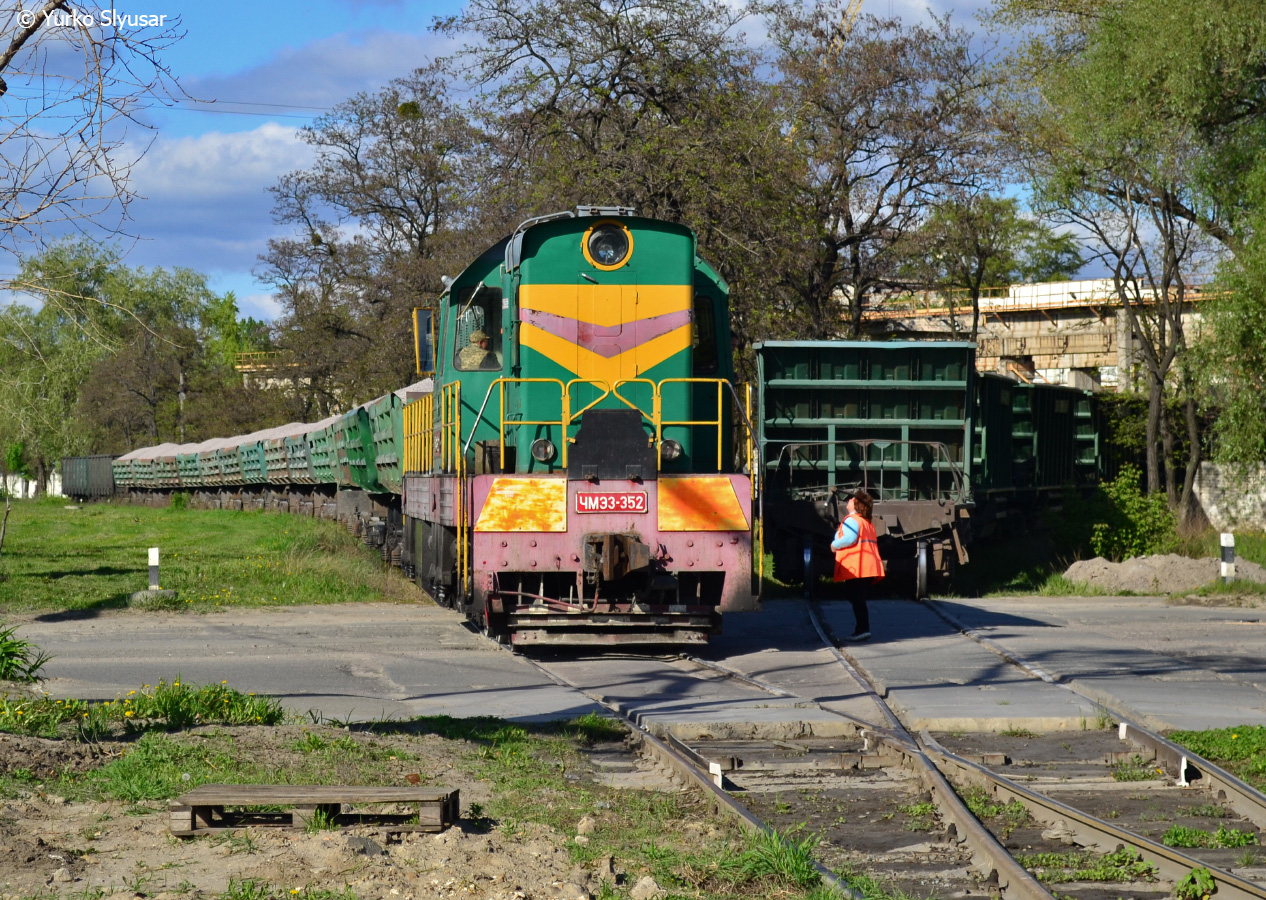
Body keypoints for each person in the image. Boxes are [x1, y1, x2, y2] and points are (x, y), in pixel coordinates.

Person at [830, 489, 884, 642]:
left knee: (856, 599)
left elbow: (850, 538)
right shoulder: (866, 522)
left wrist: (834, 545)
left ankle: (862, 629)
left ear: (856, 504)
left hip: (857, 565)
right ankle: (862, 628)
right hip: (867, 565)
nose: (848, 500)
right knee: (857, 598)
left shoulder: (852, 520)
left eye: (851, 499)